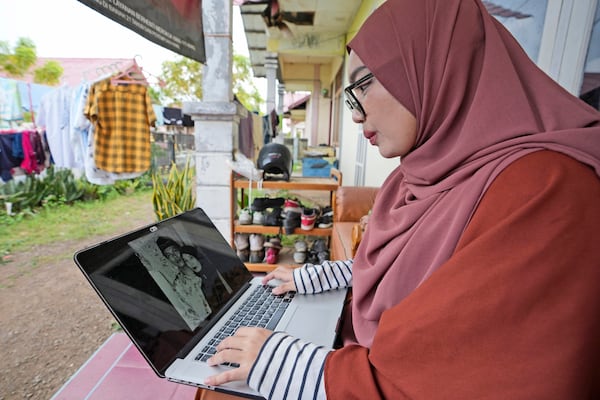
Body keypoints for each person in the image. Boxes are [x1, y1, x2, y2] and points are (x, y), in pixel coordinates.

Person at [200, 0, 600, 398]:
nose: (355, 115)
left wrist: (282, 361)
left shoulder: (548, 191)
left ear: (436, 65)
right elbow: (412, 273)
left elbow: (458, 377)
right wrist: (319, 277)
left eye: (363, 84)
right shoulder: (413, 178)